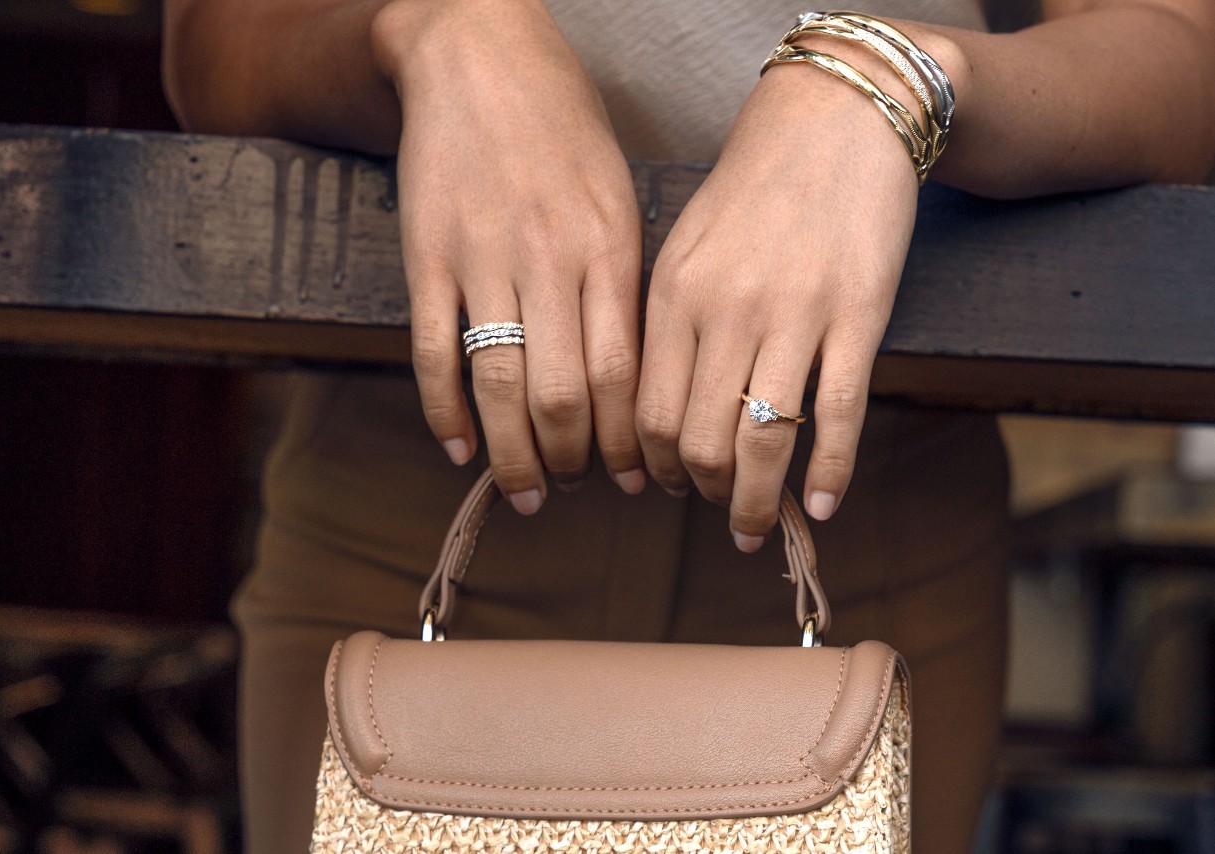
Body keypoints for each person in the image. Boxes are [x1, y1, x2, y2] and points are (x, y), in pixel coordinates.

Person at [161, 0, 1215, 850]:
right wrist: (438, 29)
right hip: (410, 510)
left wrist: (893, 72)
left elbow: (1186, 55)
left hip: (866, 538)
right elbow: (213, 45)